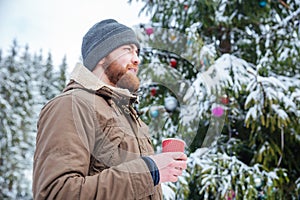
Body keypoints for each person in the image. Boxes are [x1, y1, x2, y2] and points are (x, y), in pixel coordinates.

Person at [32, 19, 187, 199]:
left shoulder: (129, 116)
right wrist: (149, 171)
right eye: (127, 49)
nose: (136, 59)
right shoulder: (71, 105)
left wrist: (156, 170)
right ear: (101, 56)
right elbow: (57, 193)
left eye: (137, 52)